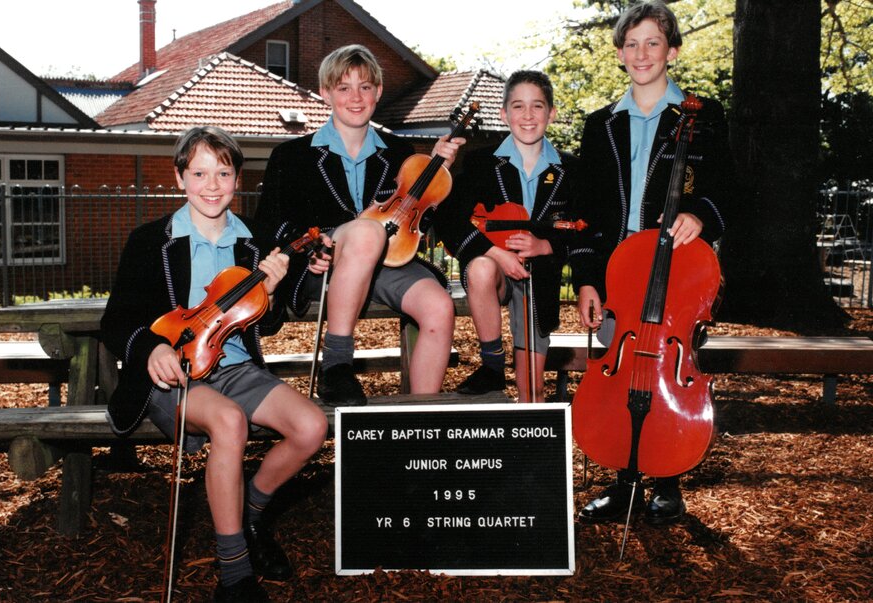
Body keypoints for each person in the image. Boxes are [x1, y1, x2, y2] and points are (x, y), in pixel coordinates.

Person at [101, 126, 328, 602]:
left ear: (236, 178)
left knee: (311, 427)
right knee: (228, 423)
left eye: (222, 173)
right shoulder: (150, 240)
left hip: (237, 368)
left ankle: (249, 511)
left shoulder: (255, 243)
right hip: (174, 374)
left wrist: (293, 279)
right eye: (199, 173)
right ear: (180, 177)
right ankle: (234, 574)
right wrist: (152, 350)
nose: (211, 184)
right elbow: (117, 321)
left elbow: (264, 327)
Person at [571, 0, 731, 525]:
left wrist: (701, 216)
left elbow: (726, 189)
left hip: (678, 277)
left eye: (653, 43)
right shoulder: (600, 126)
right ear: (620, 54)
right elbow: (587, 212)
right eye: (632, 44)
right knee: (618, 380)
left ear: (673, 51)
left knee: (667, 373)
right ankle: (623, 481)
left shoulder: (702, 118)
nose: (642, 53)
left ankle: (667, 480)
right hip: (619, 275)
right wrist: (589, 280)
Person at [254, 44, 463, 406]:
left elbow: (416, 220)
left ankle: (419, 420)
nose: (355, 97)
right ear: (325, 92)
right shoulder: (291, 156)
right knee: (367, 230)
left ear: (378, 92)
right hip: (320, 268)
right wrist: (309, 252)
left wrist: (435, 174)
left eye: (365, 87)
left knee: (439, 307)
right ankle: (336, 366)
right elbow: (272, 226)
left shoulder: (400, 153)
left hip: (385, 263)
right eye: (343, 88)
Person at [435, 70, 580, 402]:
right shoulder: (480, 163)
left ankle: (532, 448)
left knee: (533, 390)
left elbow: (584, 229)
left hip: (538, 279)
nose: (527, 116)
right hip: (497, 274)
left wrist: (546, 245)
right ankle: (492, 364)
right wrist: (497, 253)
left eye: (537, 106)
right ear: (504, 114)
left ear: (551, 113)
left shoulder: (571, 169)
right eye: (517, 106)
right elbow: (448, 219)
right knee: (480, 267)